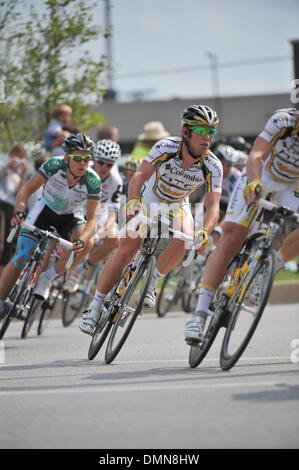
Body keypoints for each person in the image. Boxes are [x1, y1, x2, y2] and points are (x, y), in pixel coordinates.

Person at [79, 104, 223, 335]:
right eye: (202, 131)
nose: (207, 137)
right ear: (186, 132)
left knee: (184, 238)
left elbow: (212, 205)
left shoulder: (213, 165)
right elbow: (139, 176)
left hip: (177, 203)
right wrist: (133, 201)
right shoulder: (166, 147)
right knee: (126, 249)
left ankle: (152, 281)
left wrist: (204, 230)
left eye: (211, 132)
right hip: (149, 196)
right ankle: (95, 306)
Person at [185, 107, 299, 343]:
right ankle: (200, 313)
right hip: (262, 174)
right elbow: (256, 154)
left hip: (292, 186)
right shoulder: (284, 120)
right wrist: (255, 182)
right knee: (232, 237)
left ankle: (270, 267)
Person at [0, 133, 102, 317]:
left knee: (87, 244)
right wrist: (19, 211)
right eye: (77, 158)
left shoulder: (93, 180)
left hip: (71, 217)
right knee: (21, 255)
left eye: (87, 159)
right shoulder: (53, 165)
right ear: (66, 158)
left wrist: (82, 239)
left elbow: (93, 218)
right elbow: (26, 190)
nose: (82, 163)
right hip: (44, 210)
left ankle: (47, 278)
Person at [66, 139, 123, 294]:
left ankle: (84, 265)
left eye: (109, 164)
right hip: (78, 206)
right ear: (93, 159)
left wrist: (104, 229)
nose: (105, 167)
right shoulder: (82, 169)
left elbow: (113, 210)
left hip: (100, 211)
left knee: (113, 238)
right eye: (101, 162)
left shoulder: (115, 180)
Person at [0, 144, 30, 276]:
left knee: (6, 244)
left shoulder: (19, 176)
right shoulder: (3, 165)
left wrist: (23, 174)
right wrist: (7, 166)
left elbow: (19, 193)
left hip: (10, 209)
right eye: (17, 157)